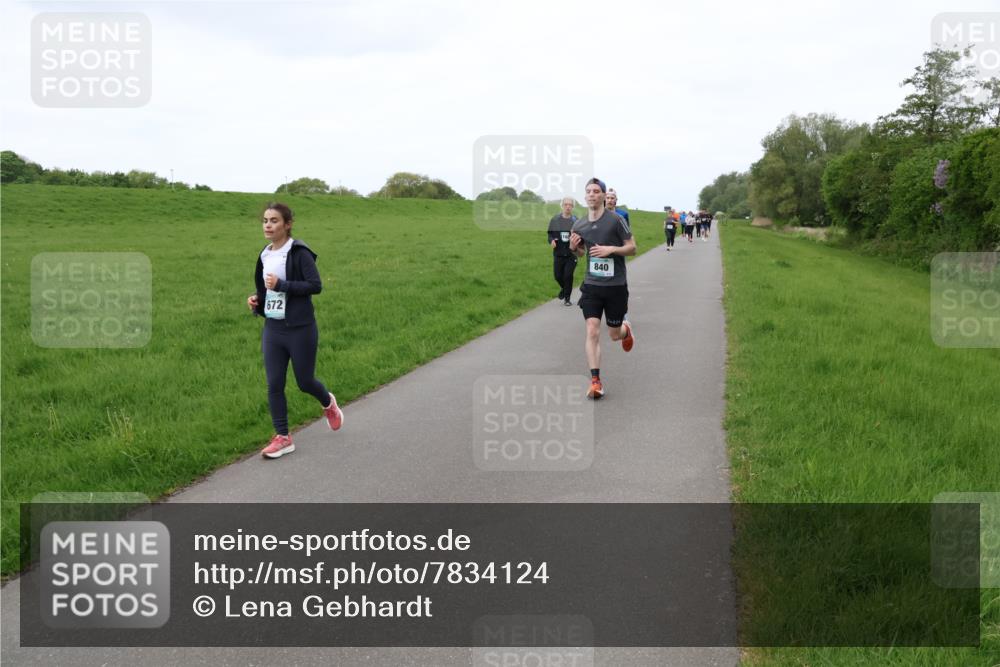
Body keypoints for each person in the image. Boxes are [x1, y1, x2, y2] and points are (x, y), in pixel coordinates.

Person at [246, 202, 344, 459]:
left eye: (274, 220)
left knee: (304, 382)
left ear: (287, 224)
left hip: (300, 328)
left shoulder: (299, 252)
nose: (268, 225)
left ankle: (328, 403)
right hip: (274, 328)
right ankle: (283, 437)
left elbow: (315, 285)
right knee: (274, 384)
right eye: (265, 220)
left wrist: (283, 284)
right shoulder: (265, 254)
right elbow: (266, 289)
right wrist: (257, 300)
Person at [569, 178, 636, 399]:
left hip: (615, 285)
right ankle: (595, 381)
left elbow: (632, 248)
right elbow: (580, 253)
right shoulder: (578, 225)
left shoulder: (616, 220)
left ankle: (626, 330)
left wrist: (611, 250)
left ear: (603, 195)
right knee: (592, 330)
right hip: (592, 285)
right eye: (588, 191)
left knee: (614, 335)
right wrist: (573, 248)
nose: (591, 195)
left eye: (596, 191)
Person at [547, 197, 579, 306]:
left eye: (570, 205)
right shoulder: (555, 220)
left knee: (568, 276)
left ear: (573, 207)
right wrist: (551, 241)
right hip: (558, 253)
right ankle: (564, 289)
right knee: (557, 276)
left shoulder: (575, 221)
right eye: (566, 204)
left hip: (571, 254)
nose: (568, 207)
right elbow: (550, 234)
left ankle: (567, 298)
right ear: (562, 206)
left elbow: (580, 235)